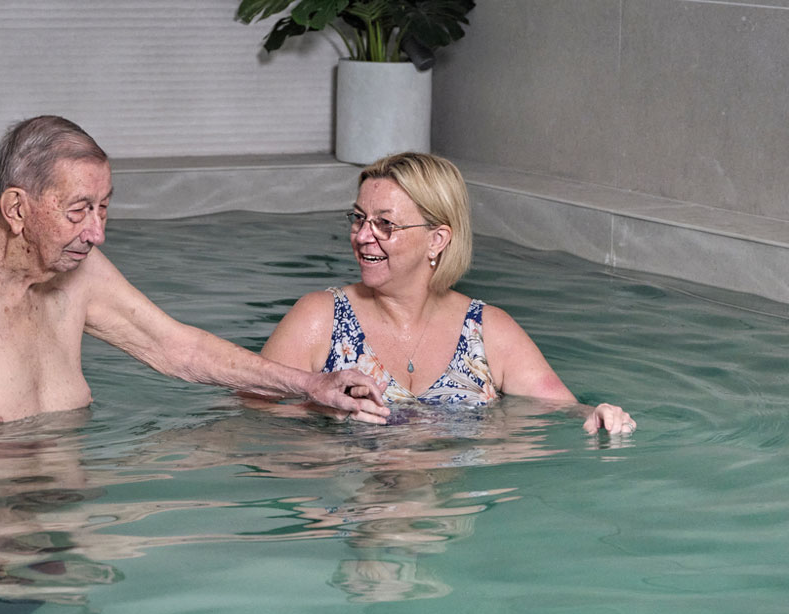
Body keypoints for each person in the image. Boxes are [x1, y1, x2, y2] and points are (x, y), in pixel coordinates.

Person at [0, 115, 388, 452]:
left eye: (104, 208)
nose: (97, 233)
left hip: (58, 502)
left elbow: (178, 348)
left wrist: (311, 384)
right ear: (17, 208)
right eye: (78, 211)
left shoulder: (78, 271)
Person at [260, 151, 636, 434]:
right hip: (351, 490)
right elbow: (254, 414)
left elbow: (561, 410)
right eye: (359, 219)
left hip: (451, 497)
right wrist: (318, 413)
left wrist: (600, 414)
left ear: (437, 240)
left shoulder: (487, 330)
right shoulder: (320, 319)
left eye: (385, 224)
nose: (362, 236)